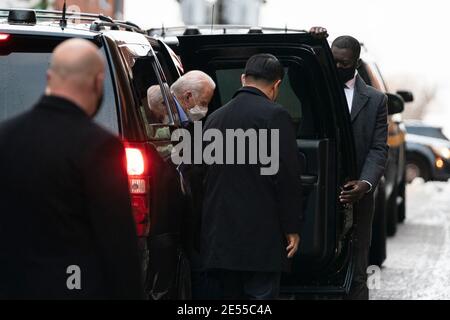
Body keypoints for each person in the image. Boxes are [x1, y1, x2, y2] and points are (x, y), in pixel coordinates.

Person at [0, 38, 143, 300]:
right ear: (98, 82)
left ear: (48, 77)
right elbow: (117, 245)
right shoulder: (100, 147)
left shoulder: (6, 137)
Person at [199, 54, 303, 300]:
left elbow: (203, 174)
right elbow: (286, 177)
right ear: (277, 84)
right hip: (260, 238)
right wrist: (291, 228)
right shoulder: (275, 116)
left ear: (243, 79)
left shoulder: (214, 119)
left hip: (219, 238)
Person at [310, 27, 389, 300]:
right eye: (333, 61)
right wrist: (314, 41)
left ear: (356, 63)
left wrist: (365, 184)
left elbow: (379, 148)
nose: (338, 66)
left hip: (358, 196)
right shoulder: (318, 86)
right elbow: (297, 83)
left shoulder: (376, 100)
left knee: (357, 264)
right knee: (316, 261)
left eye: (344, 63)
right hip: (319, 188)